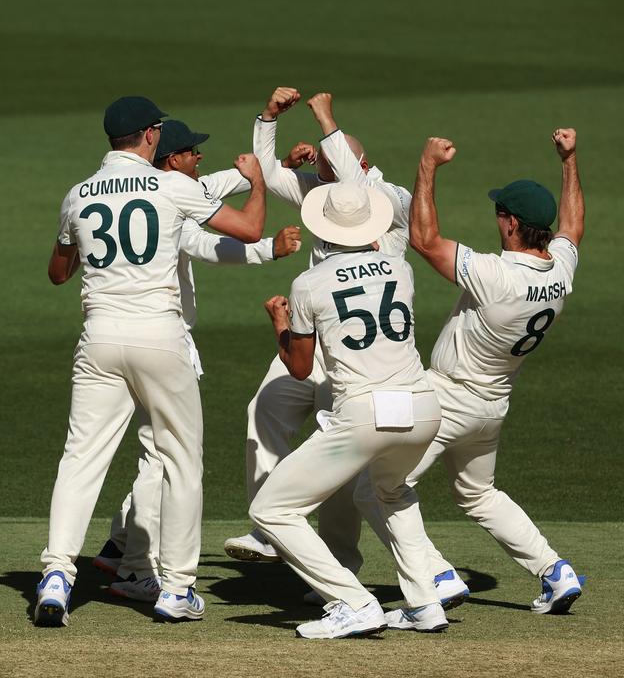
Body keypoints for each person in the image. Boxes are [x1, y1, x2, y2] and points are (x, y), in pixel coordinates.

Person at [37, 96, 267, 626]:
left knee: (81, 458)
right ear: (148, 135)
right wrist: (256, 183)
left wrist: (80, 243)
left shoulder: (78, 193)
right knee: (181, 460)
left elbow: (57, 272)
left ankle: (56, 573)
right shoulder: (171, 185)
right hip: (159, 334)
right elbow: (250, 230)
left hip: (97, 336)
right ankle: (178, 588)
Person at [356, 131, 586, 617]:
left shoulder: (496, 275)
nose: (495, 218)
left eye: (499, 212)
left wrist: (427, 165)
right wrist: (569, 161)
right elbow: (573, 227)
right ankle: (553, 570)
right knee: (477, 492)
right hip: (493, 405)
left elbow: (424, 240)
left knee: (377, 487)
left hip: (445, 399)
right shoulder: (560, 272)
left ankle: (435, 576)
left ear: (511, 224)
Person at [225, 88, 437, 604]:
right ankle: (271, 526)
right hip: (315, 329)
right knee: (265, 407)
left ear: (354, 163)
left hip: (359, 355)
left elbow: (353, 182)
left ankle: (341, 570)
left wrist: (325, 119)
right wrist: (268, 118)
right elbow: (270, 176)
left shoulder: (386, 199)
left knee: (345, 463)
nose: (317, 182)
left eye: (327, 167)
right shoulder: (328, 191)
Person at [87, 118, 302, 600]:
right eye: (192, 153)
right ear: (172, 160)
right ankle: (135, 564)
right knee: (163, 456)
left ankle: (119, 544)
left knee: (156, 450)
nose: (199, 158)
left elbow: (223, 179)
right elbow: (211, 245)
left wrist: (275, 168)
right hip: (161, 341)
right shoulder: (166, 205)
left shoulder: (172, 188)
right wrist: (270, 248)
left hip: (129, 336)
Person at [252, 182, 444, 639]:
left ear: (324, 231)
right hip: (422, 406)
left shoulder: (309, 283)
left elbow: (300, 368)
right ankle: (424, 604)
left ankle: (353, 601)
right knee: (393, 492)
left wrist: (280, 322)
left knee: (271, 509)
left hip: (364, 413)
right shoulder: (401, 269)